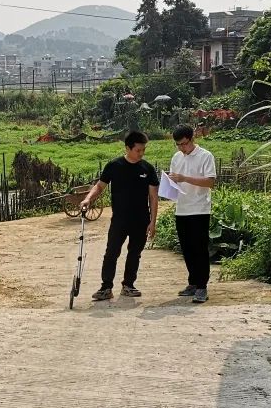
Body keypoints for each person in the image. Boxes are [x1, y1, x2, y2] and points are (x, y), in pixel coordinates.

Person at [81, 130, 159, 301]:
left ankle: (128, 285)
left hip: (141, 219)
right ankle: (106, 287)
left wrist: (153, 221)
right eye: (138, 150)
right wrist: (88, 199)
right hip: (120, 220)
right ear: (128, 148)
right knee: (111, 252)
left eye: (143, 150)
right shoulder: (114, 166)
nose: (141, 153)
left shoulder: (148, 169)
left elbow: (153, 197)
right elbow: (100, 187)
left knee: (134, 253)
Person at [165, 125, 217, 303]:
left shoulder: (205, 156)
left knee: (199, 248)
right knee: (186, 248)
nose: (181, 148)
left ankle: (202, 286)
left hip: (199, 208)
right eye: (178, 145)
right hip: (182, 209)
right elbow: (174, 181)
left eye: (184, 144)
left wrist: (185, 178)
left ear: (191, 139)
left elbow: (210, 182)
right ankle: (193, 282)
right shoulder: (176, 157)